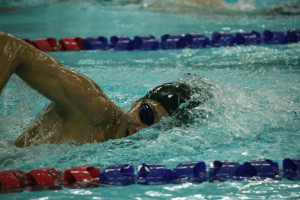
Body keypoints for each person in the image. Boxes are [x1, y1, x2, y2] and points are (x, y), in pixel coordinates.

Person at [0, 32, 195, 147]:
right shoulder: (92, 107)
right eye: (146, 115)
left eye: (156, 129)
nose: (140, 131)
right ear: (137, 103)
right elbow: (11, 46)